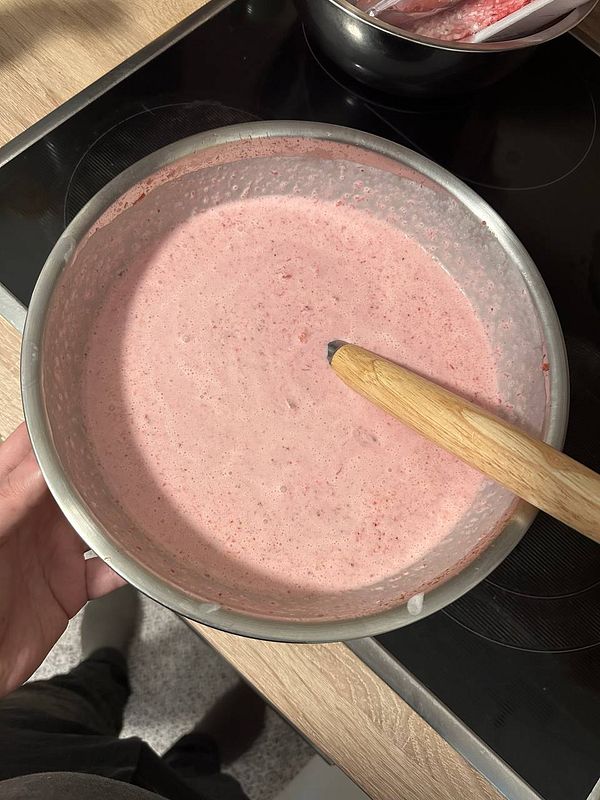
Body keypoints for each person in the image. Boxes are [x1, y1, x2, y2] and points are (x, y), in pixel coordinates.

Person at [0, 423, 265, 800]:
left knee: (76, 696)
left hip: (15, 751)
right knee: (196, 775)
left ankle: (103, 666)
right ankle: (202, 750)